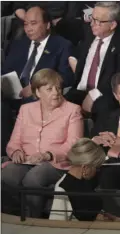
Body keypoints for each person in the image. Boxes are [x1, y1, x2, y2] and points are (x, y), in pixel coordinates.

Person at [2, 69, 83, 218]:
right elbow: (14, 141)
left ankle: (32, 219)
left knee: (34, 178)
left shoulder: (72, 110)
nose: (56, 92)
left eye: (58, 88)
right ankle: (10, 218)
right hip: (27, 160)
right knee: (7, 174)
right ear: (38, 92)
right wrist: (16, 152)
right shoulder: (26, 109)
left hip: (57, 163)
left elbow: (74, 144)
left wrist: (48, 155)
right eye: (50, 89)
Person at [65, 2, 120, 118]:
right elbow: (75, 54)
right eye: (92, 19)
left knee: (103, 107)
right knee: (59, 105)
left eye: (98, 21)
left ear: (112, 25)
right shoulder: (90, 34)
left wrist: (93, 94)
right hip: (79, 90)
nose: (92, 24)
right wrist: (73, 60)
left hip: (104, 93)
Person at [2, 6, 74, 105]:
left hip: (38, 98)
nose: (28, 29)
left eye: (33, 24)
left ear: (47, 25)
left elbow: (65, 77)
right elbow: (6, 70)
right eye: (25, 24)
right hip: (12, 96)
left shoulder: (62, 46)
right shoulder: (18, 44)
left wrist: (36, 87)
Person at [50, 138, 120, 222]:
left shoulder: (87, 181)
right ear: (85, 167)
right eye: (96, 168)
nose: (97, 171)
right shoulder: (63, 188)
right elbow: (57, 223)